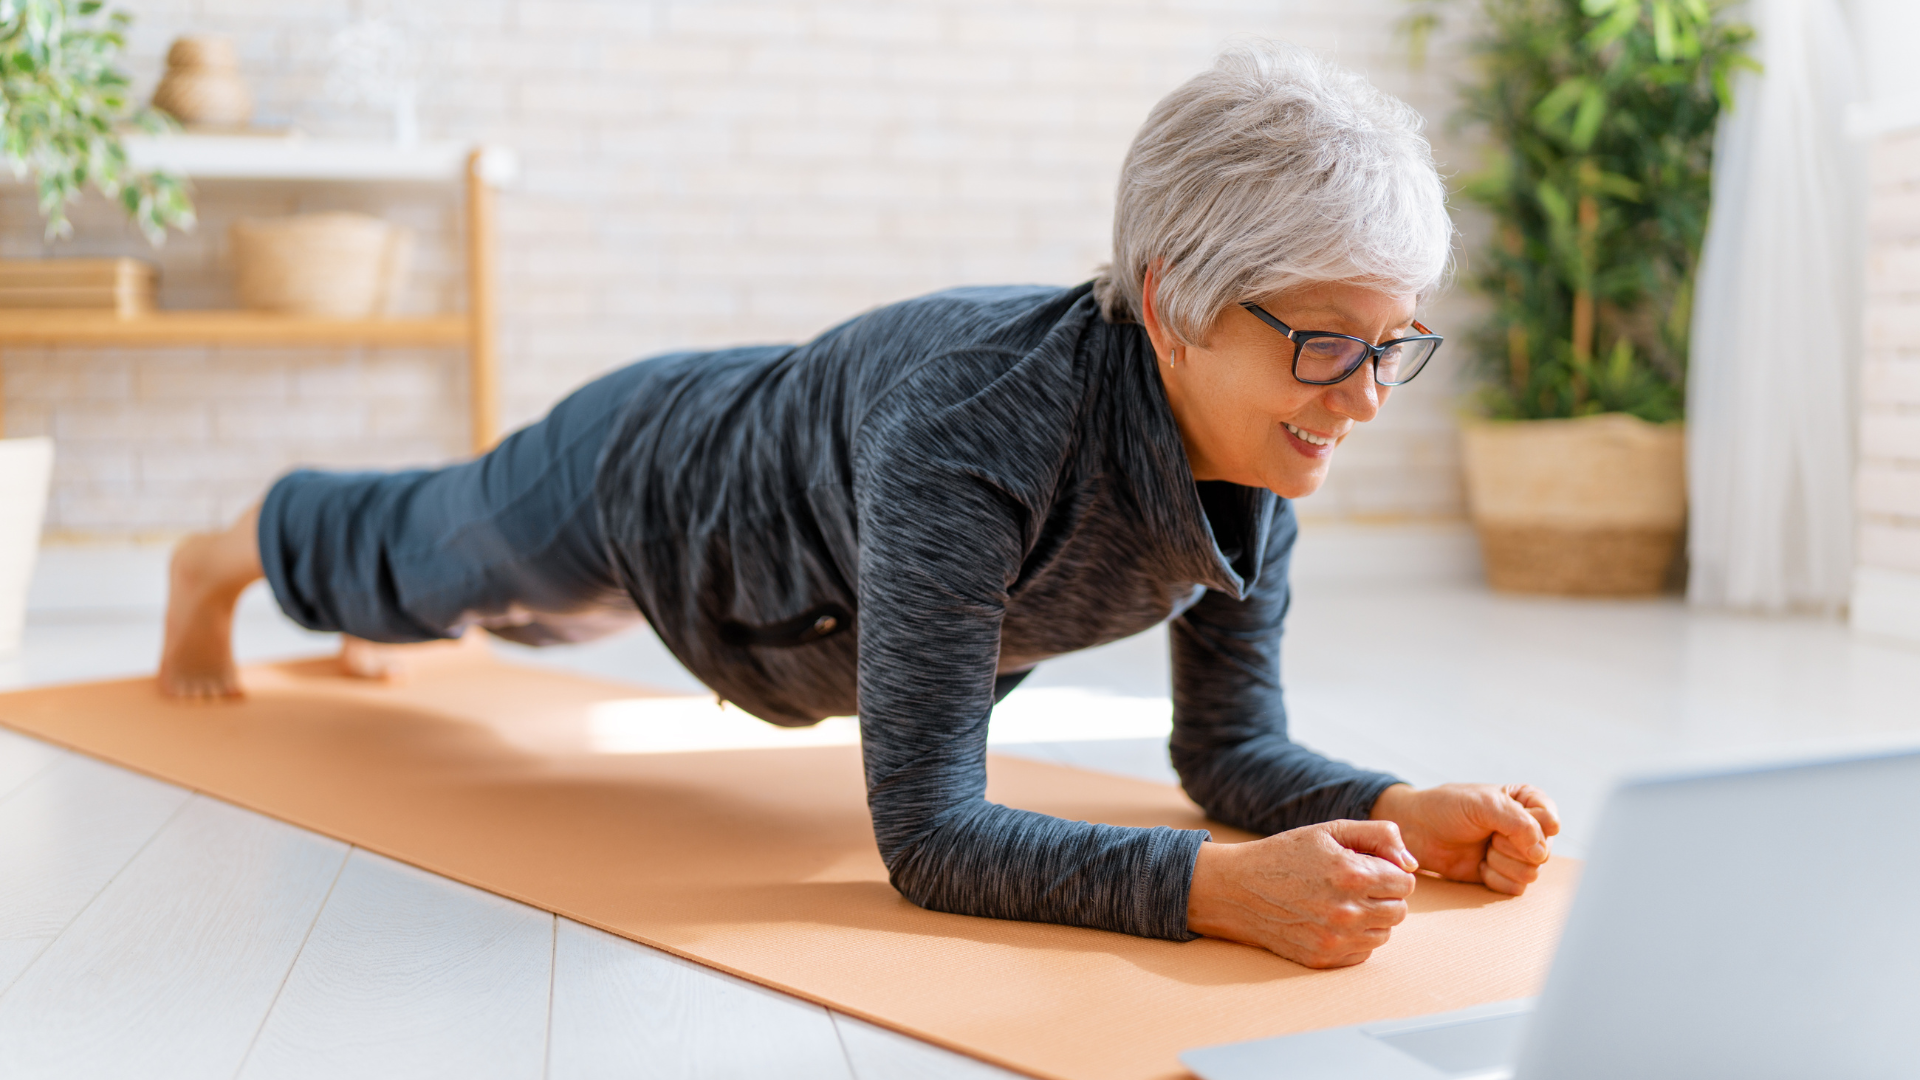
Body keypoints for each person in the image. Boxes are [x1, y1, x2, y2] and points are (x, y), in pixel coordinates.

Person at [159, 41, 1559, 970]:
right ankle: (222, 555)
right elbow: (933, 841)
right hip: (649, 483)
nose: (1364, 398)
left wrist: (1395, 803)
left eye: (1391, 346)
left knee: (498, 620)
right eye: (1326, 345)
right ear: (1173, 308)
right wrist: (1219, 894)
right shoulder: (973, 435)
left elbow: (1231, 751)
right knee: (424, 567)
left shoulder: (1265, 455)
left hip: (799, 543)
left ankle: (381, 621)